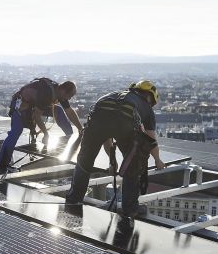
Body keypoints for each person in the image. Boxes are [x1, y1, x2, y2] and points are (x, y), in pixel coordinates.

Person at [65, 80, 165, 218]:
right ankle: (130, 209)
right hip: (124, 125)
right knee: (132, 166)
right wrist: (158, 160)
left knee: (84, 162)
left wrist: (112, 162)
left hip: (97, 122)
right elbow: (150, 140)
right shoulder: (145, 107)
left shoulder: (110, 96)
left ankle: (73, 200)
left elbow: (105, 134)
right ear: (150, 96)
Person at [0, 78, 83, 174]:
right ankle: (2, 165)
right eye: (69, 96)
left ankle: (70, 138)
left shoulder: (58, 92)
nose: (68, 99)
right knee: (16, 131)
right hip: (20, 105)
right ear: (63, 90)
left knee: (59, 111)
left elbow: (69, 111)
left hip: (33, 105)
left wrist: (80, 128)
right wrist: (46, 134)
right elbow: (37, 116)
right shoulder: (47, 93)